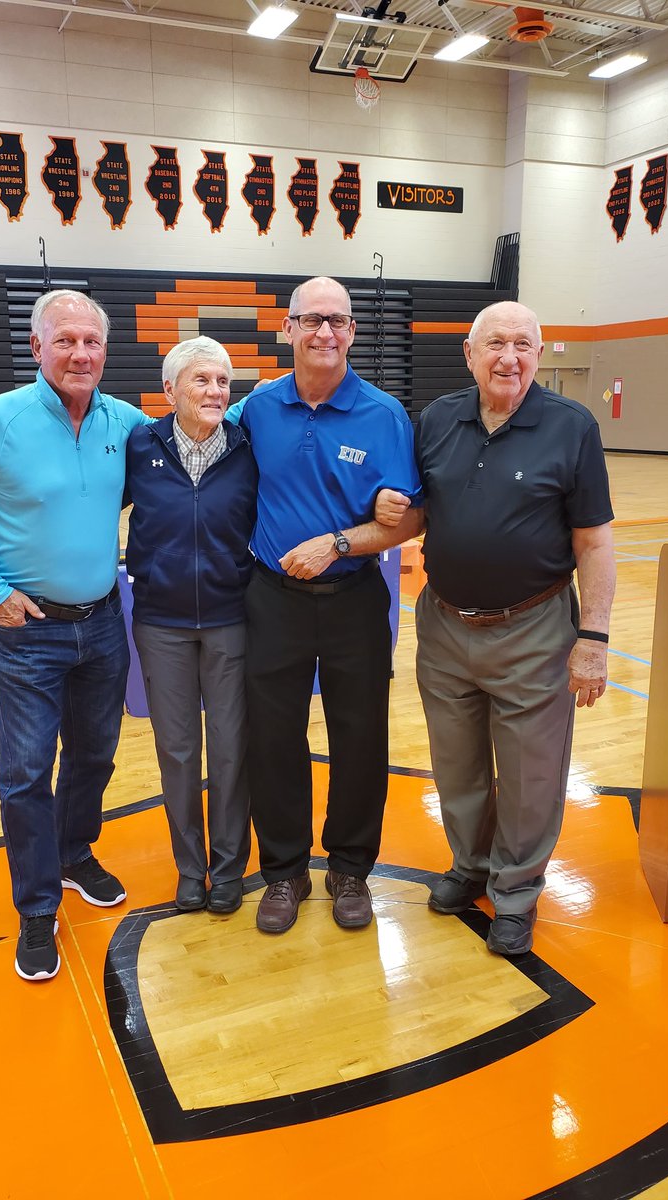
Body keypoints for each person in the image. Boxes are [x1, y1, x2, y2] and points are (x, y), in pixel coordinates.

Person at [377, 300, 615, 956]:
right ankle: (470, 864)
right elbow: (412, 514)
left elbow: (594, 544)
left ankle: (515, 890)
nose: (509, 358)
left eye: (523, 345)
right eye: (495, 344)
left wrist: (592, 640)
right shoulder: (437, 421)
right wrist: (378, 510)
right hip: (445, 626)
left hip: (533, 629)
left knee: (532, 771)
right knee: (456, 766)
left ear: (540, 354)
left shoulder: (572, 428)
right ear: (470, 353)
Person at [0, 289, 150, 982]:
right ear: (37, 347)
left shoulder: (128, 423)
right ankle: (35, 907)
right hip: (29, 633)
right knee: (26, 773)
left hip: (105, 624)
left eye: (91, 341)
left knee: (94, 756)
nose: (80, 353)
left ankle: (76, 853)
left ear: (105, 350)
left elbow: (192, 447)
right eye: (66, 341)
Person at [234, 276, 423, 934]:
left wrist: (339, 542)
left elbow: (407, 519)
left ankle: (349, 868)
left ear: (351, 332)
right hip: (272, 599)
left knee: (360, 737)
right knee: (273, 737)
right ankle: (283, 872)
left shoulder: (383, 415)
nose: (325, 333)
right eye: (312, 320)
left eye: (337, 321)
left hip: (354, 600)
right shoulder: (257, 409)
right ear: (287, 329)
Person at [125, 336, 257, 916]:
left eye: (223, 382)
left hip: (232, 619)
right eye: (201, 381)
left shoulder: (249, 448)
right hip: (162, 623)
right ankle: (189, 869)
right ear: (170, 389)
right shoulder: (140, 445)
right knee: (177, 752)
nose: (215, 392)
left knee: (232, 750)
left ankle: (228, 869)